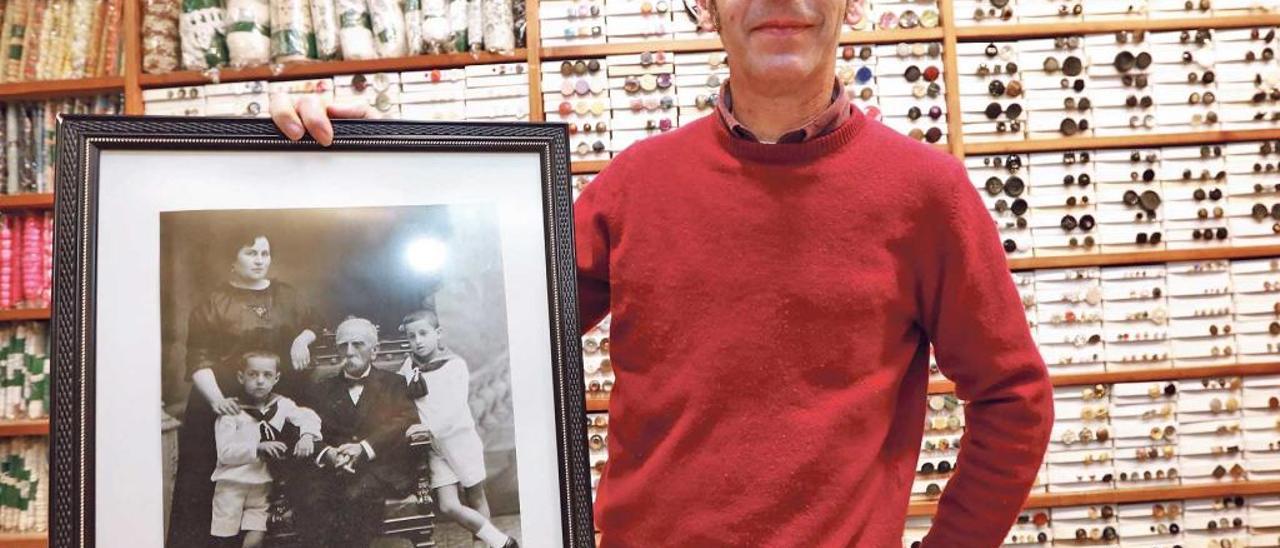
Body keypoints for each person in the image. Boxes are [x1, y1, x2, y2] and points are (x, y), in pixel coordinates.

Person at [270, 0, 1055, 544]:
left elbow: (1014, 400)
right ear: (706, 8)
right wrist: (344, 175)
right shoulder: (637, 185)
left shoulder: (924, 194)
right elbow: (488, 311)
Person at [168, 230, 322, 547]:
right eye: (251, 253)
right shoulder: (214, 303)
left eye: (265, 253)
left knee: (292, 479)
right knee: (215, 485)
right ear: (232, 260)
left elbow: (314, 322)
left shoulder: (287, 295)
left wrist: (303, 337)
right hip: (225, 401)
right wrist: (218, 401)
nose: (260, 260)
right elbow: (198, 359)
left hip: (277, 398)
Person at [287, 317, 419, 548]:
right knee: (311, 498)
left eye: (357, 344)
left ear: (374, 350)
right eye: (343, 345)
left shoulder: (395, 383)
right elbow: (304, 426)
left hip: (379, 468)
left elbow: (405, 419)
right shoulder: (320, 388)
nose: (348, 352)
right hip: (332, 468)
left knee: (356, 495)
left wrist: (364, 448)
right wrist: (327, 453)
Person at [396, 310, 517, 548]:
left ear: (438, 334)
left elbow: (454, 410)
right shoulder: (408, 367)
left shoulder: (454, 365)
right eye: (412, 336)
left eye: (423, 333)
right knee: (447, 505)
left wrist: (426, 428)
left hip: (459, 440)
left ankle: (483, 545)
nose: (418, 341)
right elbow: (399, 396)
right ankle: (502, 541)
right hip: (432, 447)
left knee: (475, 495)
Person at [210, 350, 322, 548]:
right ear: (241, 377)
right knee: (225, 537)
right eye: (253, 374)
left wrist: (306, 436)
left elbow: (309, 416)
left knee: (257, 535)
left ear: (276, 378)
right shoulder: (231, 412)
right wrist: (258, 448)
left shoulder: (281, 405)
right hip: (232, 483)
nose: (260, 381)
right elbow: (225, 453)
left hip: (263, 484)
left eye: (267, 375)